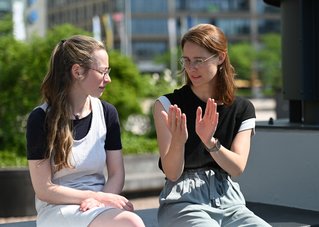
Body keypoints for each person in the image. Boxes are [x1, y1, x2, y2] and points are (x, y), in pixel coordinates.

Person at [153, 24, 271, 227]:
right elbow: (172, 174)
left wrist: (210, 141)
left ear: (220, 57)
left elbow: (237, 168)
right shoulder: (167, 105)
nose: (191, 68)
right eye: (187, 60)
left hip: (230, 201)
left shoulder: (242, 109)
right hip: (183, 201)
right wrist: (179, 142)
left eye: (199, 60)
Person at [26, 35, 145, 227]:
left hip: (99, 204)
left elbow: (116, 174)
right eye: (103, 71)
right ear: (77, 71)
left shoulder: (107, 113)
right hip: (58, 209)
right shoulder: (40, 119)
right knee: (130, 222)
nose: (108, 79)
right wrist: (95, 197)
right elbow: (44, 190)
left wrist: (100, 200)